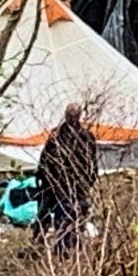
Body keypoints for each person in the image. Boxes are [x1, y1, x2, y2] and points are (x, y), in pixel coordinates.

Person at [33, 103, 98, 255]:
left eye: (74, 115)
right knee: (47, 212)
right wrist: (41, 175)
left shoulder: (85, 137)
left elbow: (91, 162)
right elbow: (46, 157)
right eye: (71, 115)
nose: (72, 118)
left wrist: (89, 180)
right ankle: (39, 241)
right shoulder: (57, 135)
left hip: (76, 184)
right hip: (55, 181)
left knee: (74, 213)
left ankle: (67, 244)